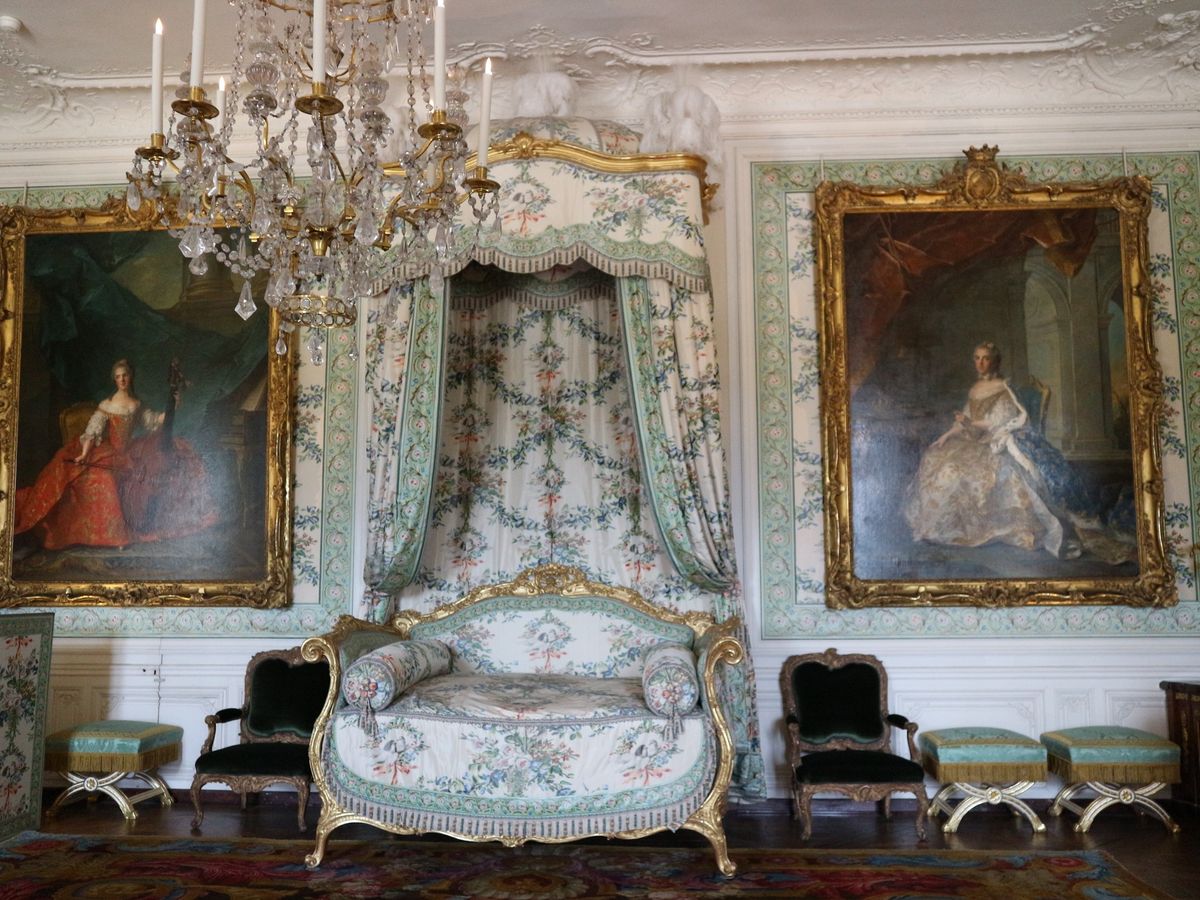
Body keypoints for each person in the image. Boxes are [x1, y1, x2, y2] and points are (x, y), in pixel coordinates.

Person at [903, 342, 1085, 560]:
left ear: (995, 361)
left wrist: (969, 422)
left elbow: (999, 421)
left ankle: (973, 528)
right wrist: (946, 436)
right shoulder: (975, 388)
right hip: (973, 439)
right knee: (934, 457)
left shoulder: (1003, 388)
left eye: (985, 358)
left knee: (953, 470)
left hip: (994, 443)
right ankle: (940, 525)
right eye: (977, 358)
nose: (980, 363)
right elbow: (964, 420)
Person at [15, 358, 219, 551]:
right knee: (104, 479)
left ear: (130, 377)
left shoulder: (137, 404)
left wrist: (173, 403)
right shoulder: (107, 404)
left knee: (158, 468)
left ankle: (143, 520)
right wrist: (84, 454)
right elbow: (92, 431)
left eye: (125, 376)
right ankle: (113, 535)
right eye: (118, 376)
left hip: (131, 451)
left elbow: (154, 421)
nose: (122, 380)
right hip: (110, 451)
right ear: (114, 379)